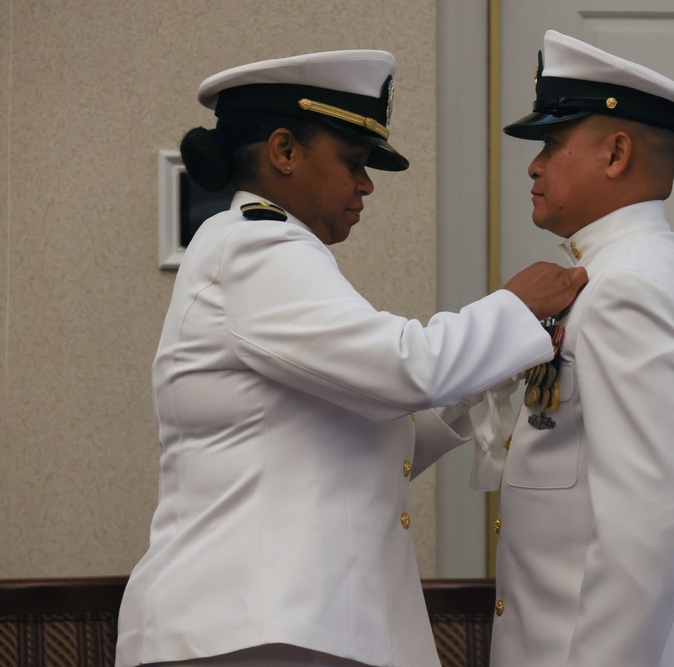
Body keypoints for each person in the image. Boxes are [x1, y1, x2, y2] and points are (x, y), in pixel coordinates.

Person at [115, 50, 587, 667]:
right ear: (284, 151)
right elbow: (403, 367)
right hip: (253, 630)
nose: (365, 186)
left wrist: (482, 383)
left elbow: (364, 436)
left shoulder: (255, 248)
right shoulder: (258, 246)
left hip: (271, 627)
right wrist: (513, 308)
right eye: (354, 163)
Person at [471, 30, 674, 667]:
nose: (533, 165)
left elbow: (643, 533)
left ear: (616, 153)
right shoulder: (641, 270)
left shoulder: (628, 290)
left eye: (552, 145)